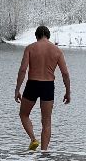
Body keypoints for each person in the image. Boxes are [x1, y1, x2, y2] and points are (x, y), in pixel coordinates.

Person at [15, 24, 70, 152]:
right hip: (48, 86)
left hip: (32, 84)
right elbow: (65, 73)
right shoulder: (57, 50)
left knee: (23, 114)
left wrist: (17, 89)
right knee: (46, 122)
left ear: (37, 36)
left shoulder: (30, 48)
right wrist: (67, 92)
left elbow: (23, 70)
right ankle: (44, 153)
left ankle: (33, 139)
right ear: (48, 36)